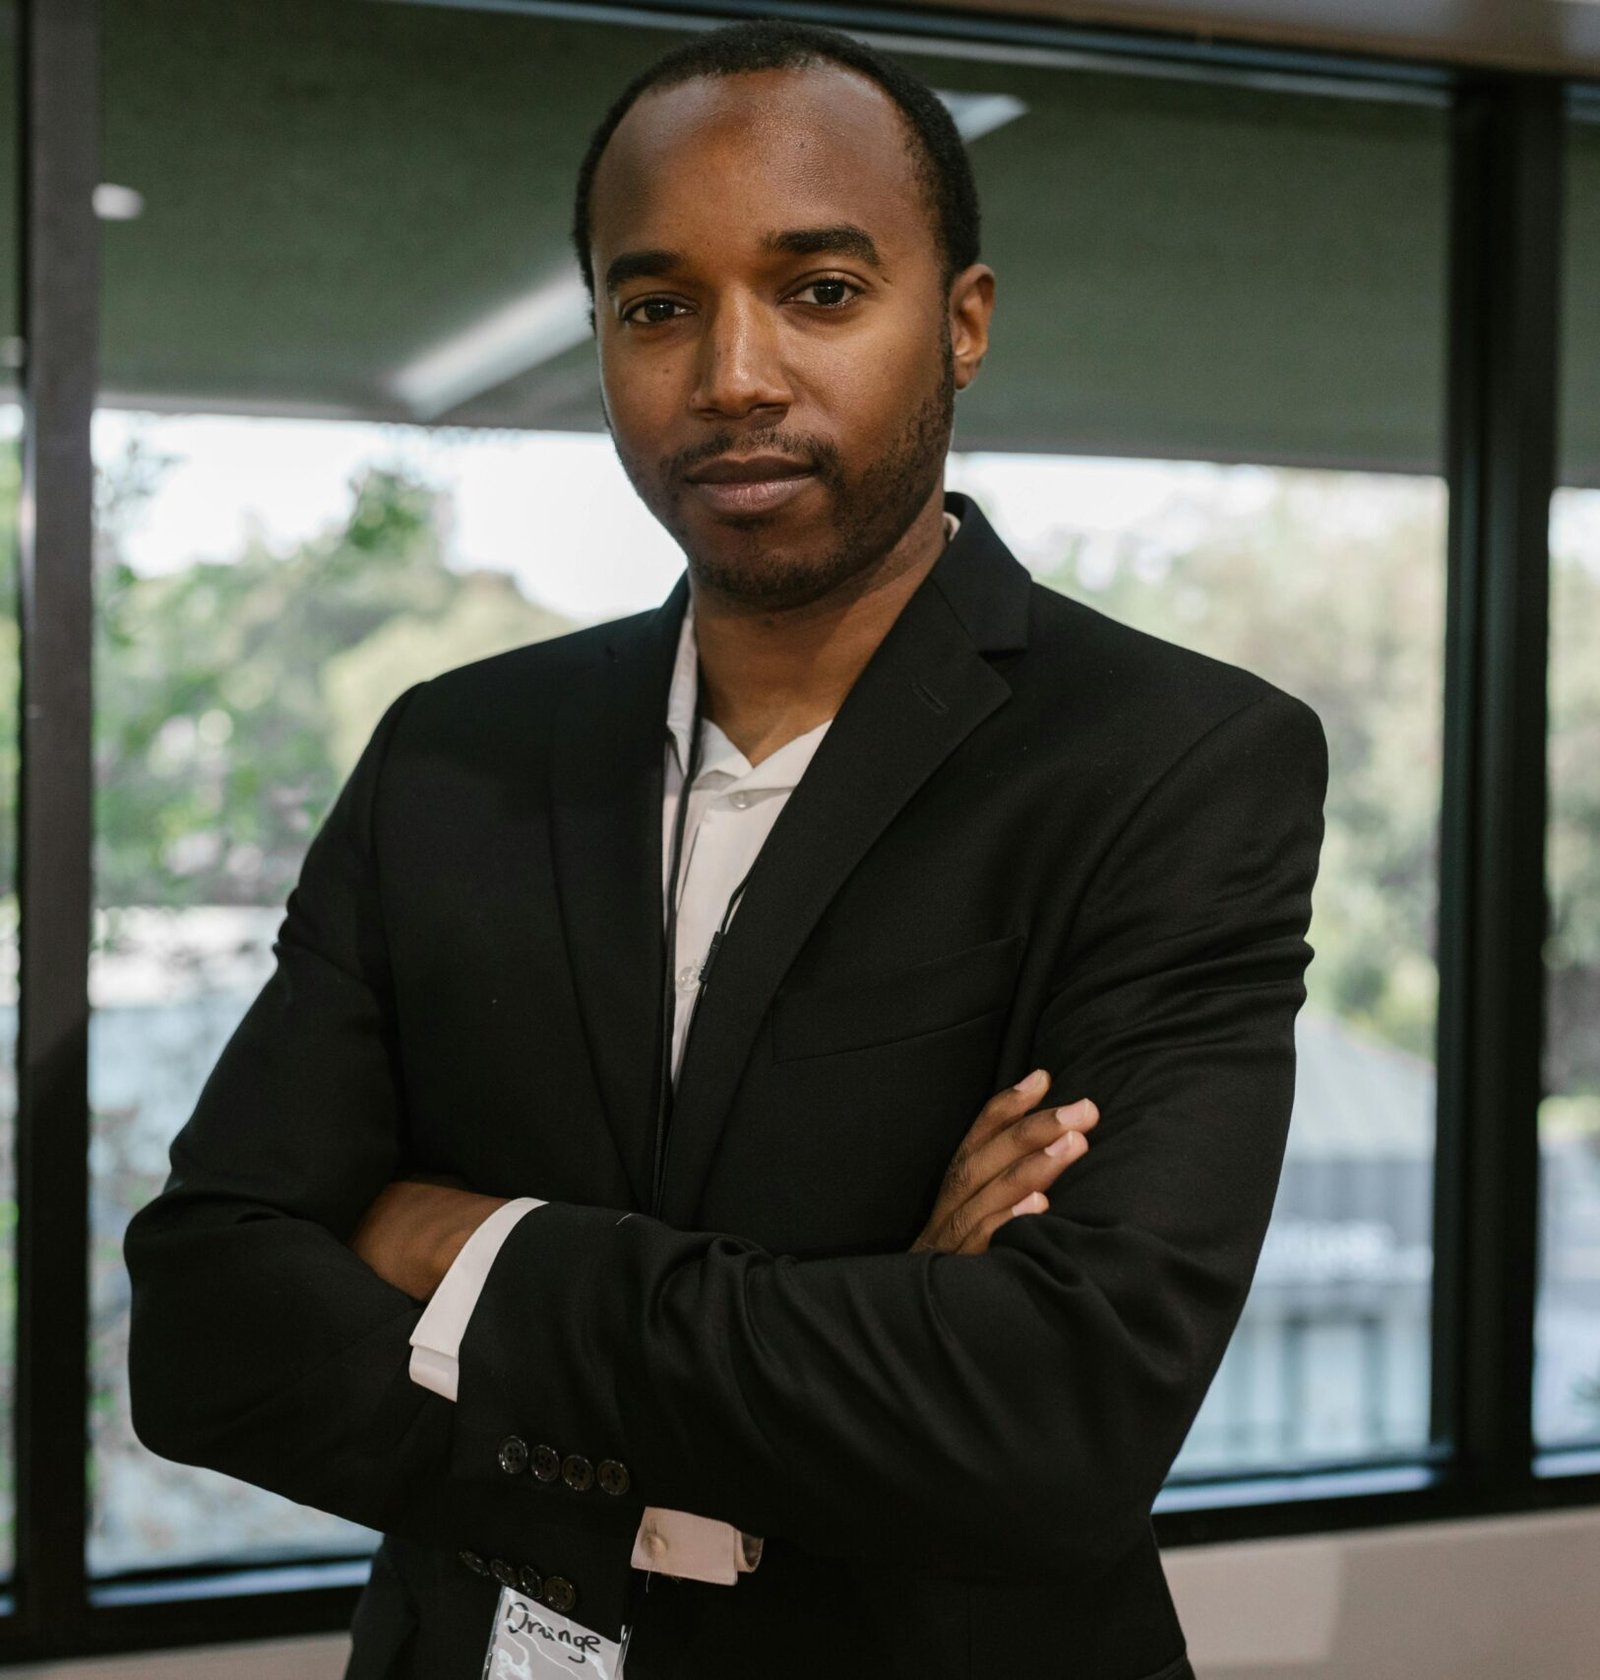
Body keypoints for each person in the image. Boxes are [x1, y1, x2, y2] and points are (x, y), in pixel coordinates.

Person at [124, 19, 1328, 1680]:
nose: (734, 376)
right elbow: (205, 1327)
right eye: (657, 306)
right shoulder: (454, 755)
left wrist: (460, 1246)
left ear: (961, 323)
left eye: (821, 291)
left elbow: (1052, 1412)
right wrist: (851, 1340)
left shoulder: (1171, 763)